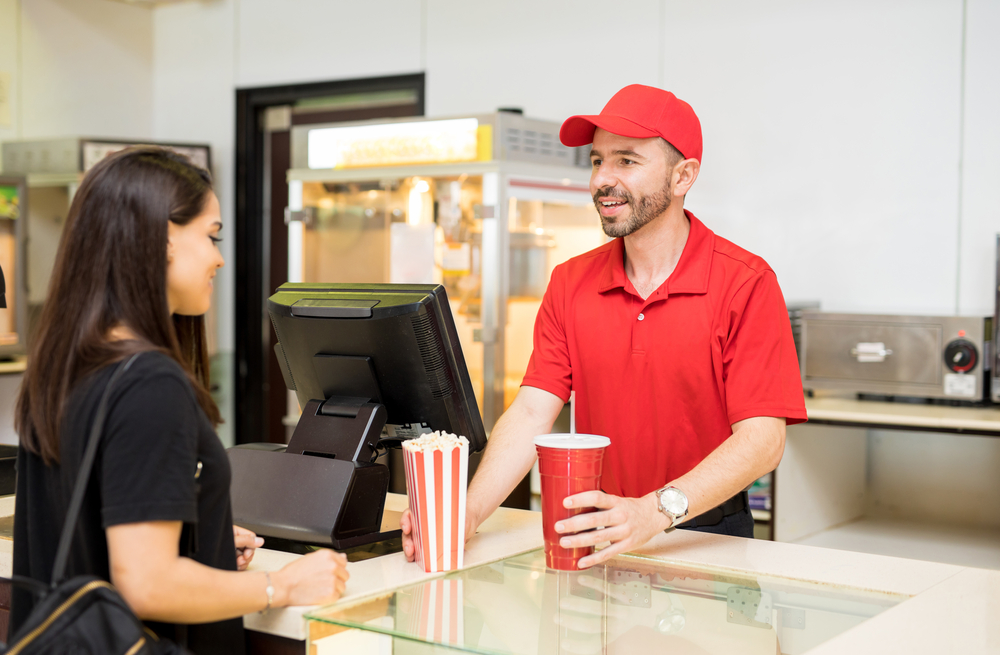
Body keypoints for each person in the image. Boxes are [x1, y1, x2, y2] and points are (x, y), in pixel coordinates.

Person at [401, 84, 807, 569]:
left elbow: (763, 442)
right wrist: (467, 513)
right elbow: (532, 413)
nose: (602, 180)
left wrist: (654, 512)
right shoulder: (571, 282)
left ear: (683, 176)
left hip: (705, 533)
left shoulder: (746, 283)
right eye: (597, 161)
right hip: (599, 528)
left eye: (627, 161)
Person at [11, 147, 349, 653]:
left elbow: (94, 523)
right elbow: (146, 584)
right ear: (164, 239)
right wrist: (282, 586)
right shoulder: (149, 383)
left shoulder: (65, 363)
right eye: (211, 235)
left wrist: (202, 537)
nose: (219, 256)